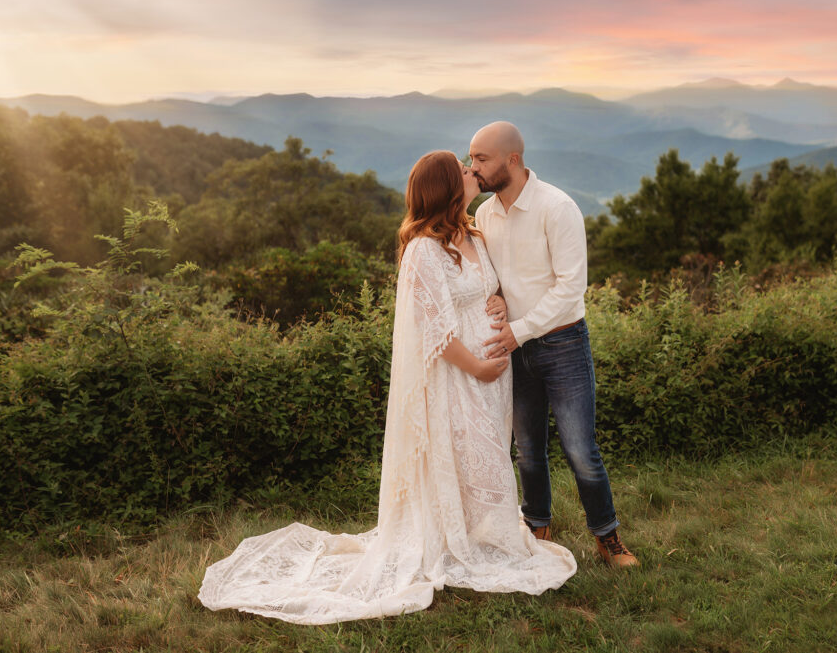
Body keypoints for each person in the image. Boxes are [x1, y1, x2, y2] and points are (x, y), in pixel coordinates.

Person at [198, 150, 576, 625]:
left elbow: (485, 287)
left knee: (483, 460)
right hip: (459, 379)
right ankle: (450, 539)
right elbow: (435, 331)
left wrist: (497, 301)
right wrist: (478, 367)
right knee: (460, 455)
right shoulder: (423, 248)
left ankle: (481, 532)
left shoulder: (474, 231)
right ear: (445, 186)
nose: (471, 171)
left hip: (490, 382)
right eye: (462, 169)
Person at [470, 122, 639, 568]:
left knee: (581, 449)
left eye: (481, 159)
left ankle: (608, 538)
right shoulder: (485, 215)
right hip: (514, 348)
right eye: (472, 159)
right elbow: (498, 281)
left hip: (562, 343)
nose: (474, 169)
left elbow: (571, 288)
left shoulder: (557, 207)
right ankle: (537, 527)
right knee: (527, 449)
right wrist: (497, 300)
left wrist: (520, 330)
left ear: (513, 160)